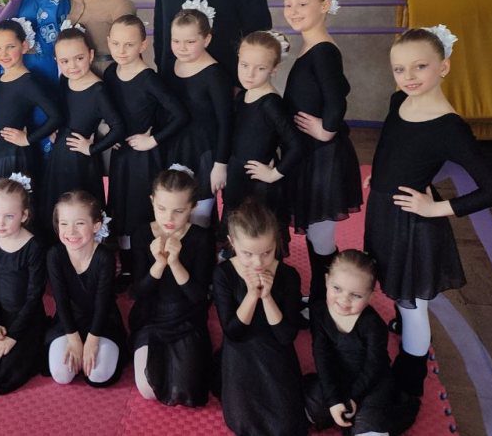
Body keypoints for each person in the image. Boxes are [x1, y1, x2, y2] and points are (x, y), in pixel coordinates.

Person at [364, 26, 492, 397]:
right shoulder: (399, 100)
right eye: (400, 69)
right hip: (384, 211)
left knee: (413, 304)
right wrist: (379, 177)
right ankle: (404, 327)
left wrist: (437, 208)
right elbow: (390, 143)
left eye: (420, 66)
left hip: (414, 224)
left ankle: (410, 378)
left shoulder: (449, 127)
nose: (408, 76)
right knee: (396, 287)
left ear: (444, 67)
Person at [282, 0, 363, 305]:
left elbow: (337, 99)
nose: (293, 10)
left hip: (324, 158)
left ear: (325, 5)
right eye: (288, 4)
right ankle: (320, 296)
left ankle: (325, 302)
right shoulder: (310, 45)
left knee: (321, 238)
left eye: (302, 4)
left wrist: (326, 130)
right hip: (312, 155)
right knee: (317, 234)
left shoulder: (324, 49)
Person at [103, 15, 187, 282]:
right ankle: (127, 266)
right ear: (108, 42)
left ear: (143, 44)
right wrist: (108, 132)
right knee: (120, 209)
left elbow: (180, 115)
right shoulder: (110, 73)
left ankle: (148, 265)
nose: (121, 50)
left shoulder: (149, 79)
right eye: (116, 44)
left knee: (141, 210)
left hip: (145, 157)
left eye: (129, 44)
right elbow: (104, 110)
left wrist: (153, 140)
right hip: (121, 155)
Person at [213, 200, 306, 436]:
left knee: (287, 426)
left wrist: (267, 297)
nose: (258, 262)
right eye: (248, 254)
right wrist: (252, 295)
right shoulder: (223, 274)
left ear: (276, 242)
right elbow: (233, 332)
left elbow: (286, 336)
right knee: (243, 423)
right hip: (240, 352)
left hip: (275, 349)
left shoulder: (288, 275)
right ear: (232, 243)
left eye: (267, 252)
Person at [304, 250, 420, 435]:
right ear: (326, 281)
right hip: (339, 377)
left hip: (371, 383)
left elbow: (374, 366)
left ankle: (399, 411)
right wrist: (334, 400)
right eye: (337, 288)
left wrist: (352, 398)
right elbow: (322, 356)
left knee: (369, 424)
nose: (344, 299)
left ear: (370, 296)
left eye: (356, 295)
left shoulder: (372, 324)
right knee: (309, 406)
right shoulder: (319, 313)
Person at [129, 167, 214, 406]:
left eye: (179, 211)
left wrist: (175, 263)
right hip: (150, 317)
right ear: (152, 201)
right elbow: (137, 292)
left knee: (184, 389)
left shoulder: (201, 238)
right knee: (148, 388)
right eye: (161, 208)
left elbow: (199, 297)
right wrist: (158, 265)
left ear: (192, 207)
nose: (169, 218)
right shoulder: (141, 234)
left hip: (187, 317)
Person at [41, 26, 124, 237]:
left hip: (81, 162)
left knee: (80, 212)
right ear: (57, 61)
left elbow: (118, 128)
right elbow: (63, 110)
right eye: (64, 61)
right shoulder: (64, 80)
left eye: (79, 58)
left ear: (91, 55)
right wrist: (55, 128)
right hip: (59, 155)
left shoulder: (98, 90)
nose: (72, 66)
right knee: (57, 207)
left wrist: (92, 148)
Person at [0, 176, 47, 395]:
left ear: (24, 215)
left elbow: (34, 296)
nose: (0, 223)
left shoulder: (34, 247)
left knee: (6, 374)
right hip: (0, 314)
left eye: (9, 216)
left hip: (26, 317)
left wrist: (13, 336)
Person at [224, 31, 303, 248]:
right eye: (244, 65)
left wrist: (274, 174)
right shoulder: (243, 95)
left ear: (273, 69)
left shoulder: (271, 104)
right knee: (236, 230)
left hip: (258, 184)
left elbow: (296, 145)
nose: (249, 74)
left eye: (260, 68)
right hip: (236, 174)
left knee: (258, 233)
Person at [0, 19, 62, 221]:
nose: (4, 54)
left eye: (10, 47)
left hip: (15, 155)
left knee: (16, 206)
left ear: (24, 46)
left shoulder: (29, 82)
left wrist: (28, 138)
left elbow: (56, 116)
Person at [46, 190, 126, 387]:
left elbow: (103, 302)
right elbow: (61, 301)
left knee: (98, 375)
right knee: (62, 375)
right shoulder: (55, 255)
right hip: (68, 320)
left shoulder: (104, 257)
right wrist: (73, 339)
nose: (71, 232)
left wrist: (92, 340)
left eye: (80, 223)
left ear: (96, 226)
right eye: (64, 224)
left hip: (102, 321)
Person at [164, 2, 233, 229]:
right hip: (175, 145)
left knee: (199, 215)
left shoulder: (215, 75)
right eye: (176, 41)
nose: (182, 48)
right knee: (174, 210)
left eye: (190, 42)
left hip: (204, 151)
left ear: (207, 39)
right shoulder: (170, 64)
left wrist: (220, 164)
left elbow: (226, 122)